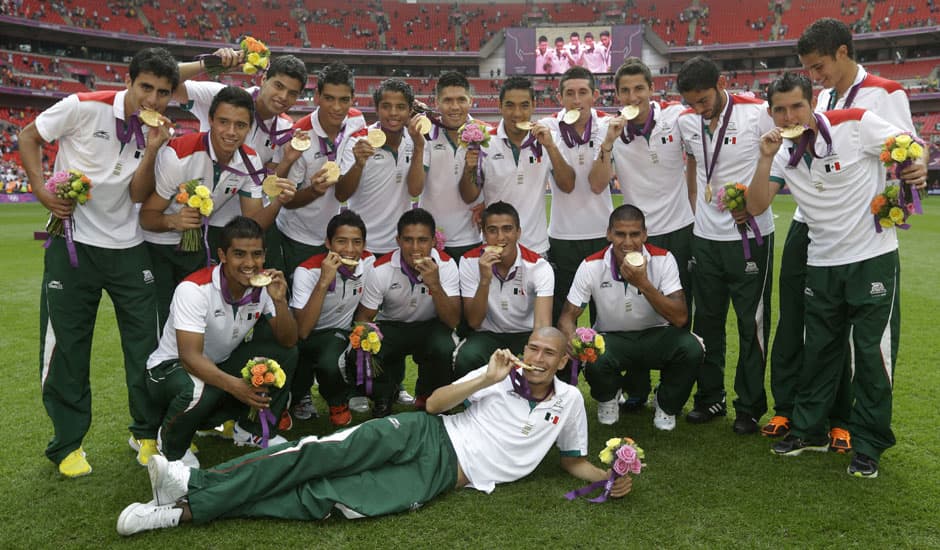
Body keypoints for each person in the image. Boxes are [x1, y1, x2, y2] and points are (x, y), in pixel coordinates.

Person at [116, 328, 631, 535]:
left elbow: (572, 462)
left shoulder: (569, 404)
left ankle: (183, 512)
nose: (538, 360)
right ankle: (189, 488)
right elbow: (433, 404)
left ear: (566, 360)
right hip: (427, 434)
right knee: (317, 454)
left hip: (446, 475)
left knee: (330, 499)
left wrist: (608, 476)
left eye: (549, 354)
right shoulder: (499, 373)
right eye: (534, 350)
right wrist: (487, 377)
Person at [761, 18, 928, 449]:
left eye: (818, 67)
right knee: (810, 331)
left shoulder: (881, 95)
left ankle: (853, 427)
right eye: (809, 72)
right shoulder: (824, 100)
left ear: (842, 52)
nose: (815, 77)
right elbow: (762, 194)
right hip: (813, 228)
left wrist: (909, 181)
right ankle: (805, 418)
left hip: (865, 234)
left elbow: (905, 149)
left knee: (866, 345)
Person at [20, 47, 179, 476]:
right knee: (68, 346)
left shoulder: (161, 134)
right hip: (72, 244)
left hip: (128, 247)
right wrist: (40, 190)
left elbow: (136, 195)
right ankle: (68, 443)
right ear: (128, 83)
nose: (153, 99)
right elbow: (28, 136)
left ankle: (145, 432)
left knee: (146, 345)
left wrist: (151, 151)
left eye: (163, 92)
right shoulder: (82, 107)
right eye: (145, 87)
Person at [748, 72, 905, 478]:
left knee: (871, 355)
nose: (788, 115)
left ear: (813, 103)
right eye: (779, 109)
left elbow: (908, 148)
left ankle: (869, 443)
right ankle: (809, 430)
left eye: (796, 106)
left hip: (872, 256)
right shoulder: (779, 150)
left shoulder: (856, 122)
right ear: (770, 113)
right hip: (821, 261)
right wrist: (765, 158)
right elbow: (756, 204)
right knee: (818, 350)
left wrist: (915, 168)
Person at [145, 217, 298, 465]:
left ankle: (250, 429)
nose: (249, 263)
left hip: (217, 365)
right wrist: (237, 386)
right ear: (222, 255)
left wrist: (280, 301)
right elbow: (190, 357)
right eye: (239, 254)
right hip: (170, 370)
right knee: (197, 386)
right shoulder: (194, 289)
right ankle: (171, 446)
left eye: (256, 254)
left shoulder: (264, 286)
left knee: (283, 354)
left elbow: (289, 341)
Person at [676, 56, 775, 434]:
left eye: (703, 100)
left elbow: (775, 162)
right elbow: (693, 166)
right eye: (691, 103)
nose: (698, 109)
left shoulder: (757, 114)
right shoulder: (687, 121)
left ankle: (749, 406)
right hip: (706, 238)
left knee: (751, 325)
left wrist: (752, 201)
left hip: (749, 235)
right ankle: (710, 398)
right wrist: (693, 209)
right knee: (708, 322)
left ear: (720, 84)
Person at [140, 86, 296, 324]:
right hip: (158, 246)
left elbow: (253, 222)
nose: (231, 132)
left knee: (194, 321)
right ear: (210, 120)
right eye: (224, 122)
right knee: (158, 323)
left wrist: (277, 203)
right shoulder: (179, 155)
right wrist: (173, 221)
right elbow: (146, 217)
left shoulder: (249, 159)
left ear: (250, 127)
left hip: (196, 247)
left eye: (241, 125)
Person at [590, 57, 694, 408]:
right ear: (616, 94)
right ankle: (636, 391)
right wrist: (607, 143)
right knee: (632, 307)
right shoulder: (610, 128)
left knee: (676, 312)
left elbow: (695, 158)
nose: (632, 96)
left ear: (652, 89)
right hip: (636, 235)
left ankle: (670, 391)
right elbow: (597, 183)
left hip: (679, 229)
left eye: (639, 88)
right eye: (625, 91)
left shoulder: (676, 117)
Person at [558, 205, 701, 429]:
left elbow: (681, 317)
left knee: (691, 348)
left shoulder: (663, 259)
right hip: (613, 339)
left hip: (657, 336)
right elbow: (568, 316)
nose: (628, 242)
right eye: (620, 234)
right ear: (609, 234)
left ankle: (665, 403)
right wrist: (573, 339)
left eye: (634, 234)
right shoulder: (591, 265)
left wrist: (643, 283)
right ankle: (607, 397)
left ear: (644, 234)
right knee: (592, 352)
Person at [173, 53, 308, 263]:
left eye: (292, 93)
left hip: (247, 222)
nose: (283, 96)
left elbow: (265, 184)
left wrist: (287, 160)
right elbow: (167, 79)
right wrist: (208, 63)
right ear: (263, 79)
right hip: (202, 218)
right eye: (278, 86)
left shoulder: (284, 129)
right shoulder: (225, 97)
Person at [354, 208, 461, 413]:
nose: (415, 248)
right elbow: (364, 317)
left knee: (444, 345)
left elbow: (453, 321)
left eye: (422, 240)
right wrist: (365, 341)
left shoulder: (446, 265)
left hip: (431, 326)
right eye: (408, 240)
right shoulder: (380, 268)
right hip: (393, 326)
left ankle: (429, 394)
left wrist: (435, 285)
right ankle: (382, 395)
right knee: (367, 341)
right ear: (398, 240)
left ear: (433, 242)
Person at [273, 62, 367, 287]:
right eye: (329, 98)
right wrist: (314, 190)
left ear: (353, 99)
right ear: (317, 96)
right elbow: (288, 201)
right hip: (298, 237)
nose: (336, 107)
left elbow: (342, 193)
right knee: (300, 300)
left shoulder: (357, 121)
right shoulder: (300, 136)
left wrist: (359, 164)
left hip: (334, 238)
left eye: (344, 100)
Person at [460, 76, 573, 256]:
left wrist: (550, 147)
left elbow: (568, 185)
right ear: (500, 106)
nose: (517, 113)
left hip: (536, 248)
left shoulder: (549, 139)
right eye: (510, 105)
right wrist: (468, 168)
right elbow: (468, 196)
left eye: (524, 105)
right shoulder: (485, 141)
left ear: (534, 106)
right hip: (495, 248)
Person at [539, 66, 613, 325]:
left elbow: (598, 184)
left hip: (603, 235)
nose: (576, 99)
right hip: (562, 238)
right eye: (570, 93)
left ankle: (602, 366)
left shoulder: (606, 125)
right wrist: (550, 145)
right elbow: (566, 184)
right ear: (560, 97)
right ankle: (563, 367)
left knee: (605, 314)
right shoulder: (548, 128)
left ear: (595, 95)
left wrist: (607, 144)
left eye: (583, 92)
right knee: (563, 315)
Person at [290, 211, 375, 426]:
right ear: (328, 243)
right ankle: (297, 397)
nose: (349, 249)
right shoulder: (307, 271)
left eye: (357, 242)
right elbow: (303, 330)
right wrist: (323, 281)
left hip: (339, 335)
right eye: (341, 241)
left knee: (332, 360)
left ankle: (340, 400)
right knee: (292, 356)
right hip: (306, 336)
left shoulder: (369, 263)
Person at [453, 202, 554, 377]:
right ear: (483, 234)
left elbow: (542, 325)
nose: (501, 237)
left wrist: (534, 353)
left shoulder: (539, 266)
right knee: (466, 358)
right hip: (488, 334)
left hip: (526, 334)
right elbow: (474, 322)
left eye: (507, 229)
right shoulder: (469, 262)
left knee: (545, 360)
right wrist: (485, 279)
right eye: (492, 230)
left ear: (518, 232)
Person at [336, 79, 425, 256]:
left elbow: (415, 190)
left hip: (400, 246)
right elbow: (341, 194)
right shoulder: (357, 141)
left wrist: (419, 148)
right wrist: (358, 164)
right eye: (386, 106)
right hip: (363, 245)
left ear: (409, 111)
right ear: (376, 109)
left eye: (400, 107)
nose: (393, 113)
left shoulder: (416, 140)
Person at [416, 71, 483, 261]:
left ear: (470, 100)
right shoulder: (426, 134)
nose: (455, 107)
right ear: (437, 102)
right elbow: (415, 188)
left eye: (461, 99)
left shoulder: (484, 135)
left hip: (471, 238)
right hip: (432, 240)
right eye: (447, 100)